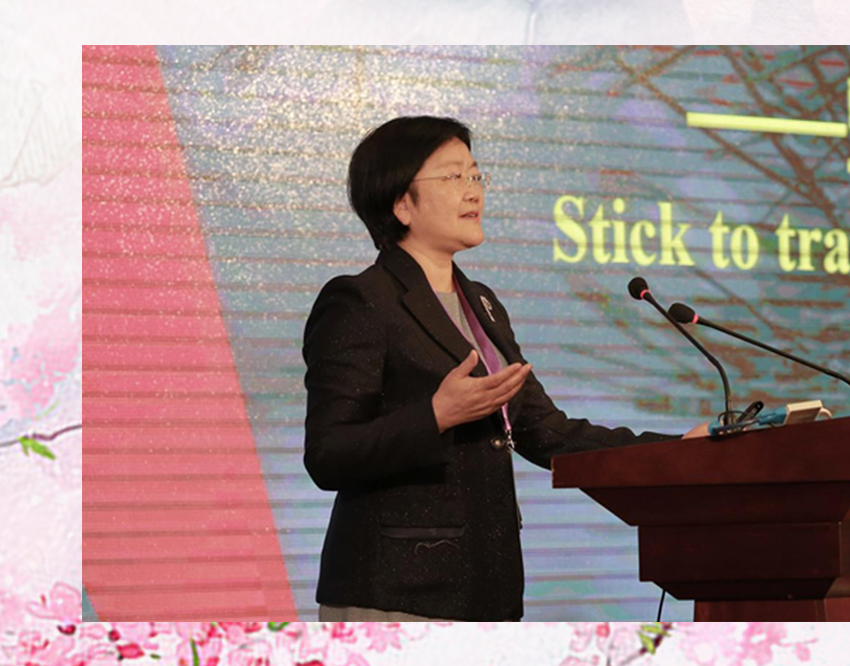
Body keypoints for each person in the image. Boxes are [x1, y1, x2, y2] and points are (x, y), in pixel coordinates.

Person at [303, 116, 708, 621]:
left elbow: (545, 432)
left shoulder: (483, 305)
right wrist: (436, 415)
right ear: (402, 204)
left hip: (483, 586)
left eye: (476, 175)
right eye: (453, 176)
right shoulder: (360, 300)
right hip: (395, 592)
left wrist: (673, 450)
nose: (473, 190)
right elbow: (328, 454)